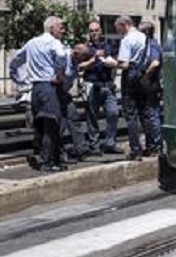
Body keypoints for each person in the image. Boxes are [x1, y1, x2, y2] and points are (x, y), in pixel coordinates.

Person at [8, 16, 67, 173]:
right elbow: (61, 56)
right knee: (51, 126)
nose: (62, 30)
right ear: (52, 28)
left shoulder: (32, 42)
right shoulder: (54, 42)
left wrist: (18, 78)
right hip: (49, 87)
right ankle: (49, 163)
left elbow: (15, 61)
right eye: (60, 27)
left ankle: (50, 158)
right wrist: (60, 74)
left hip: (36, 89)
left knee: (40, 126)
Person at [112, 15, 155, 161]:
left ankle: (135, 149)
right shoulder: (145, 38)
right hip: (143, 77)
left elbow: (124, 64)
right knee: (145, 113)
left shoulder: (127, 40)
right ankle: (151, 146)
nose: (118, 32)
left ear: (124, 25)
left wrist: (112, 63)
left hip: (130, 78)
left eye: (118, 28)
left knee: (131, 116)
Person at [79, 22, 122, 155]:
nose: (94, 33)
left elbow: (117, 61)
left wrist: (112, 63)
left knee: (113, 113)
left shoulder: (109, 45)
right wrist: (93, 59)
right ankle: (94, 144)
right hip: (92, 85)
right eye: (92, 31)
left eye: (97, 30)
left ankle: (110, 143)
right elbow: (80, 66)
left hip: (107, 85)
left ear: (101, 31)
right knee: (92, 116)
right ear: (88, 32)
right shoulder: (84, 48)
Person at [58, 43, 92, 162]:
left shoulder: (75, 62)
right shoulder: (62, 58)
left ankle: (80, 148)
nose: (81, 61)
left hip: (65, 94)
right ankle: (58, 152)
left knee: (74, 119)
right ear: (75, 53)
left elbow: (81, 67)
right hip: (55, 94)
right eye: (81, 58)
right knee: (60, 124)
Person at [139, 21, 163, 156]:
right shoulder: (149, 45)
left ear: (146, 33)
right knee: (149, 115)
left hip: (151, 85)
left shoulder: (152, 45)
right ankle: (152, 145)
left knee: (152, 115)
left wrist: (144, 76)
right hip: (151, 85)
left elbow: (155, 63)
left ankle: (155, 146)